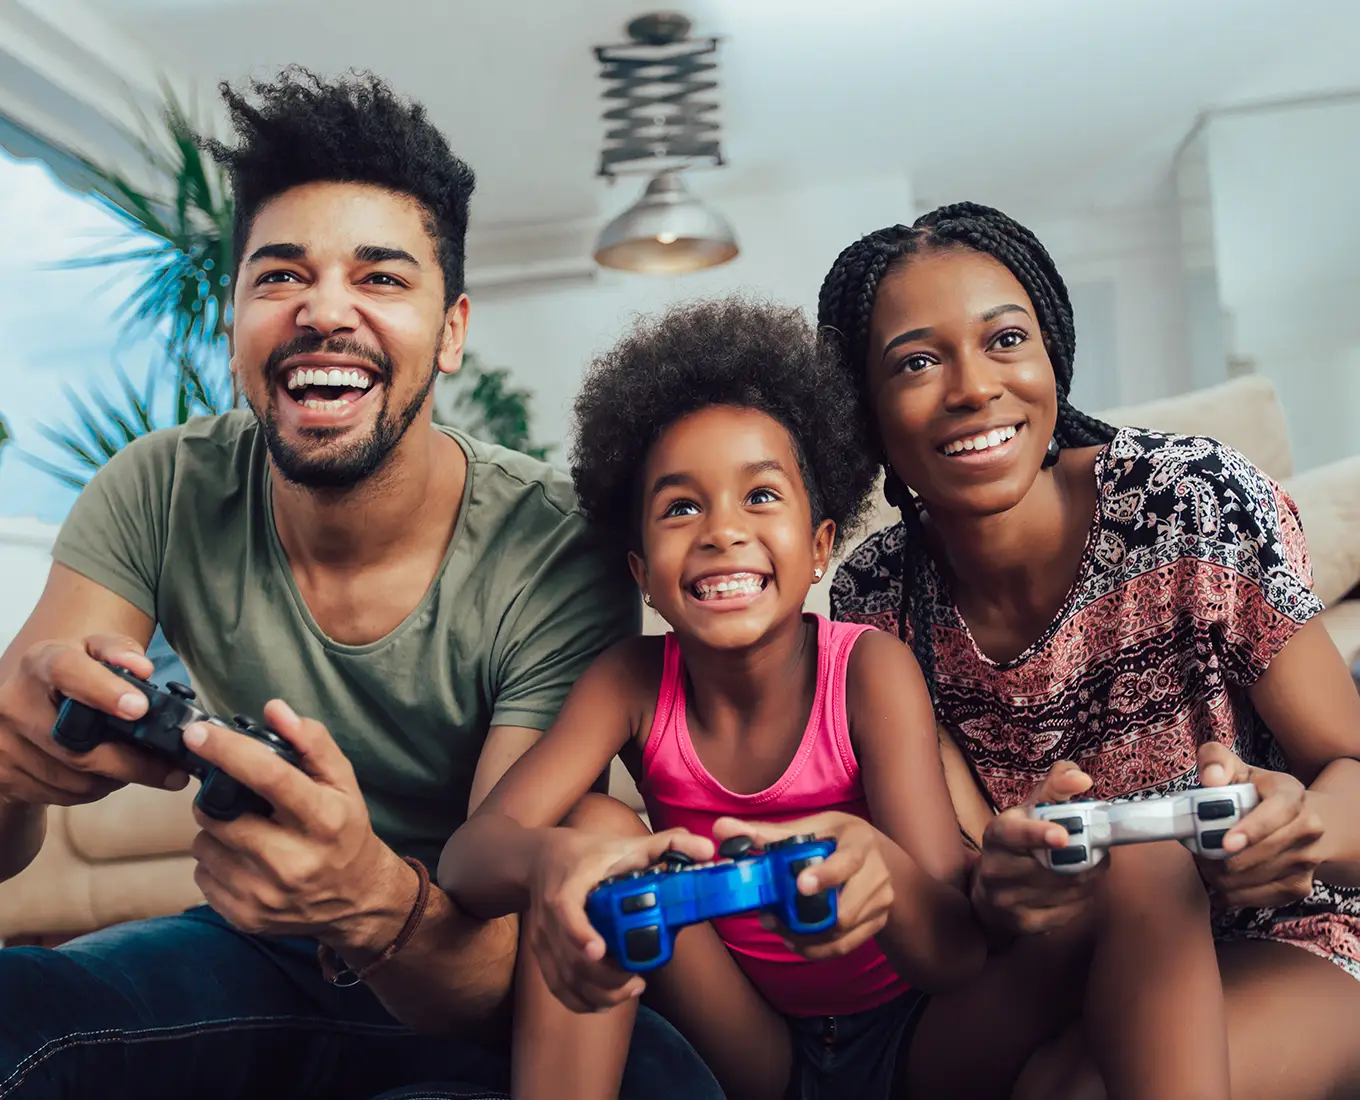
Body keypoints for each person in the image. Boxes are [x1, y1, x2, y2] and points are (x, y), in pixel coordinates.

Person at [0, 68, 723, 1100]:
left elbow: (504, 956)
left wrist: (372, 901)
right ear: (235, 317)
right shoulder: (157, 487)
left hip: (480, 973)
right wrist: (14, 755)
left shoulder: (555, 541)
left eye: (380, 277)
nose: (323, 310)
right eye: (279, 275)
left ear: (454, 329)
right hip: (254, 946)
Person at [817, 201, 1360, 1099]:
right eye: (917, 361)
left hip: (1285, 936)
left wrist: (1303, 825)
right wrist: (1000, 889)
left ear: (1051, 355)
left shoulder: (1192, 503)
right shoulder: (875, 602)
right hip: (1060, 954)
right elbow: (954, 893)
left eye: (1004, 340)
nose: (972, 388)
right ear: (864, 410)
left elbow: (1352, 762)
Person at [438, 297, 987, 1100]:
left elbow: (953, 951)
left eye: (760, 496)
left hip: (914, 1038)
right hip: (752, 1047)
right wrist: (551, 860)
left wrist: (879, 871)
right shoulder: (629, 680)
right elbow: (465, 861)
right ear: (641, 575)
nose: (721, 531)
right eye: (681, 507)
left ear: (820, 549)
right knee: (595, 830)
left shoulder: (869, 670)